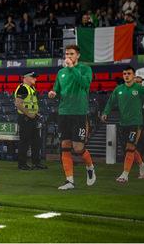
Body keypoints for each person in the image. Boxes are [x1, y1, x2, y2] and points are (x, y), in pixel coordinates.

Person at [48, 44, 96, 190]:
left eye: (71, 54)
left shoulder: (85, 69)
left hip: (79, 113)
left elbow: (85, 83)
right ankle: (69, 181)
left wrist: (71, 68)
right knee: (65, 146)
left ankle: (90, 167)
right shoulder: (61, 72)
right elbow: (57, 88)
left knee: (78, 147)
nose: (68, 57)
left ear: (78, 56)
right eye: (67, 54)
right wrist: (53, 93)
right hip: (63, 113)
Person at [101, 66, 144, 182]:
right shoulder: (118, 89)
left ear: (133, 75)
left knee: (130, 147)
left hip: (136, 123)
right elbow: (110, 102)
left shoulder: (140, 90)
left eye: (129, 73)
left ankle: (125, 175)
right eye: (125, 73)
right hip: (123, 123)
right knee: (129, 148)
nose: (126, 75)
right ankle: (142, 165)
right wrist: (105, 112)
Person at [14, 72, 47, 170]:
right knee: (24, 142)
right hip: (25, 118)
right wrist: (29, 114)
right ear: (26, 77)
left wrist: (35, 114)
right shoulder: (22, 88)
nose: (35, 79)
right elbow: (18, 104)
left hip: (32, 118)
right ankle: (22, 164)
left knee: (36, 142)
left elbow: (32, 104)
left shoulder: (31, 88)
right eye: (33, 77)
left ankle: (36, 163)